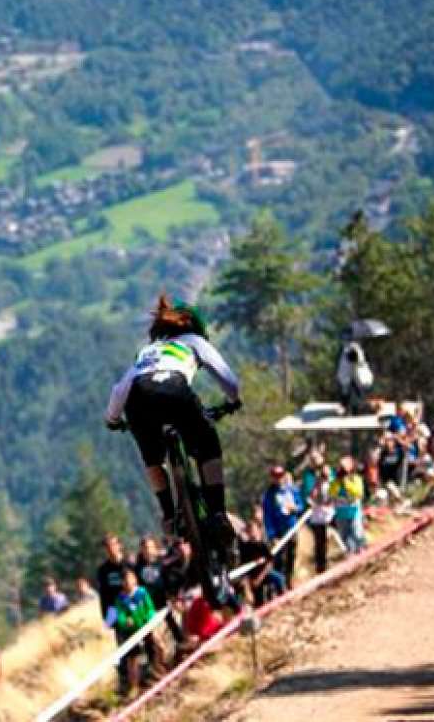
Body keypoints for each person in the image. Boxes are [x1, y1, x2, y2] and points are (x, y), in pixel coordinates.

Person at [105, 294, 242, 559]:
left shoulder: (146, 352)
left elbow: (120, 389)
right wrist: (232, 401)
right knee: (207, 446)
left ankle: (169, 514)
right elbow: (228, 379)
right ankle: (217, 513)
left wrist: (112, 420)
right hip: (175, 392)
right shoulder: (195, 342)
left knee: (153, 458)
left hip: (139, 400)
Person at [103, 566, 160, 693]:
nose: (128, 582)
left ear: (134, 579)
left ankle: (157, 670)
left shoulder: (142, 592)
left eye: (130, 578)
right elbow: (121, 616)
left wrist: (148, 618)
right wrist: (125, 622)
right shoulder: (120, 599)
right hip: (130, 632)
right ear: (122, 583)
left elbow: (150, 608)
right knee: (132, 657)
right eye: (125, 580)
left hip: (146, 627)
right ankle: (134, 685)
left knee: (154, 648)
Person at [261, 465, 302, 588]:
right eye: (275, 476)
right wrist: (272, 535)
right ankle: (281, 584)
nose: (278, 479)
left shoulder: (292, 490)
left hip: (292, 527)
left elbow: (300, 505)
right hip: (279, 531)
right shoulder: (269, 495)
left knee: (292, 555)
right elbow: (267, 516)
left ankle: (290, 580)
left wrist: (295, 508)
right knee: (280, 559)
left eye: (280, 476)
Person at [331, 455, 366, 554]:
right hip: (341, 513)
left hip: (353, 511)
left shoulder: (356, 479)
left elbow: (358, 493)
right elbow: (332, 492)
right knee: (344, 535)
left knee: (357, 533)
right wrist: (338, 482)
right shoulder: (336, 480)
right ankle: (351, 553)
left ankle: (362, 550)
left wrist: (347, 483)